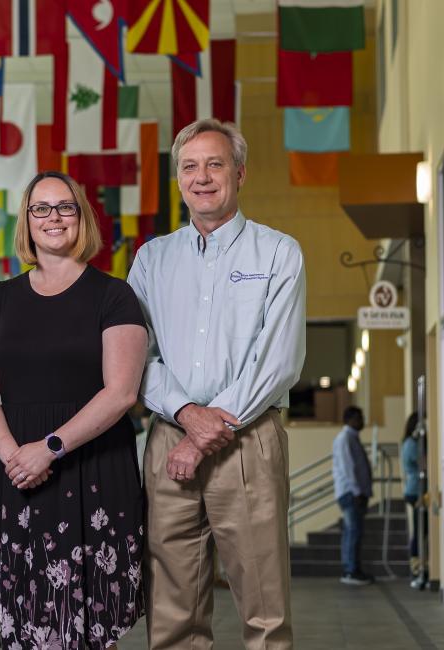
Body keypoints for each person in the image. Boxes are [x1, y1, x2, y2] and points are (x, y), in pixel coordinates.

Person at [128, 119, 305, 649]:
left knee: (264, 608)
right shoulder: (152, 260)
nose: (202, 177)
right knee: (172, 609)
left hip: (249, 440)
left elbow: (277, 361)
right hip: (168, 443)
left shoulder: (278, 253)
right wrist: (186, 415)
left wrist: (206, 430)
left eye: (215, 163)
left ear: (240, 173)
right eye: (189, 166)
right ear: (178, 179)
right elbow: (137, 356)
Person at [0, 171, 149, 649]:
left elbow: (121, 392)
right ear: (27, 222)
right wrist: (16, 457)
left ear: (82, 218)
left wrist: (49, 449)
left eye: (65, 207)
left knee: (90, 624)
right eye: (40, 208)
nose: (53, 218)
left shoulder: (114, 295)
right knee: (25, 621)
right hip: (17, 476)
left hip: (92, 470)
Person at [332, 406, 374, 586]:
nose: (362, 420)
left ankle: (354, 568)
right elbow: (348, 467)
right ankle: (350, 571)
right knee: (352, 532)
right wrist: (357, 491)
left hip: (356, 492)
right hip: (351, 493)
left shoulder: (351, 438)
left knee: (354, 532)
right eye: (360, 417)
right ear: (350, 419)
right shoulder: (345, 439)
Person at [401, 412, 427, 588]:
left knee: (422, 530)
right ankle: (416, 568)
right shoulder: (411, 444)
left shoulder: (411, 442)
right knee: (420, 531)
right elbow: (423, 464)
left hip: (418, 490)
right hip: (415, 491)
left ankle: (420, 566)